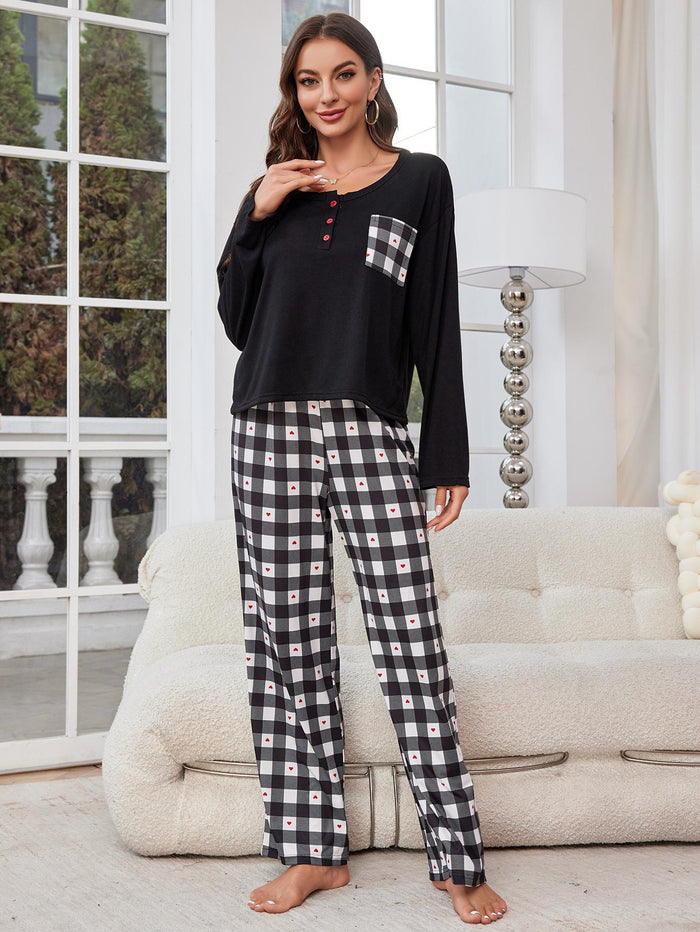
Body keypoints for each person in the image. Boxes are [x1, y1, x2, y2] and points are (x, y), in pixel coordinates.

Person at [216, 11, 508, 926]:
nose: (327, 95)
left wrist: (444, 451)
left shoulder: (421, 181)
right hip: (266, 426)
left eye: (343, 74)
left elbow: (433, 320)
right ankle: (314, 853)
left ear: (374, 81)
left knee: (410, 639)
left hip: (368, 426)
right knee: (286, 640)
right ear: (295, 92)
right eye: (308, 81)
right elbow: (237, 321)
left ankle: (456, 856)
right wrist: (256, 215)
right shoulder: (276, 188)